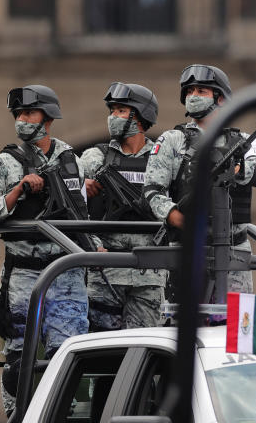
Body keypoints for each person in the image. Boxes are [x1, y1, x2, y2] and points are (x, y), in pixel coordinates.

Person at [0, 85, 88, 417]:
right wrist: (17, 191)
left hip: (67, 272)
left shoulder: (71, 160)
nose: (22, 120)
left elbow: (83, 216)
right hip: (24, 273)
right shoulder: (5, 162)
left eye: (29, 113)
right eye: (18, 114)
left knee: (70, 358)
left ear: (47, 119)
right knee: (19, 361)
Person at [143, 64, 256, 296]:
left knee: (234, 325)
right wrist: (175, 217)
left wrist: (238, 170)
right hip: (187, 247)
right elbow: (152, 190)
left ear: (220, 99)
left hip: (235, 249)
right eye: (190, 92)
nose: (193, 96)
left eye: (201, 91)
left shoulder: (242, 141)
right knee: (183, 325)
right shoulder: (172, 140)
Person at [79, 82, 166, 330]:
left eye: (120, 111)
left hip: (148, 273)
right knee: (100, 354)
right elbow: (67, 196)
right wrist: (82, 185)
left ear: (139, 116)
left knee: (142, 351)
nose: (112, 117)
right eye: (112, 111)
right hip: (106, 271)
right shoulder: (95, 157)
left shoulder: (162, 159)